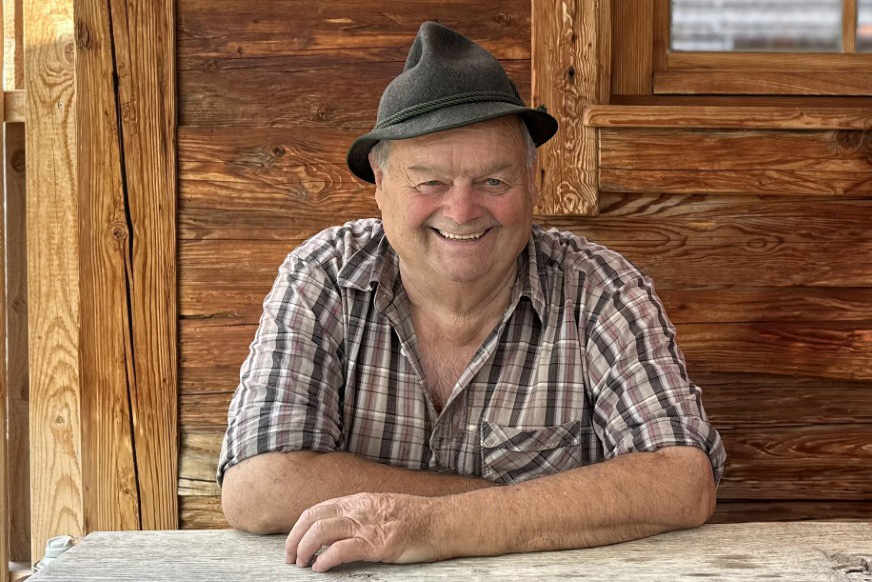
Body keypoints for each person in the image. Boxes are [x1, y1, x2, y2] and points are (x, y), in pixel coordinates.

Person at [218, 21, 726, 573]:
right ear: (380, 188)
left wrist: (431, 525)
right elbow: (259, 484)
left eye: (493, 182)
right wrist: (526, 508)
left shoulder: (601, 288)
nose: (462, 212)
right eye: (429, 182)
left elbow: (681, 479)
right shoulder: (324, 276)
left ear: (532, 182)